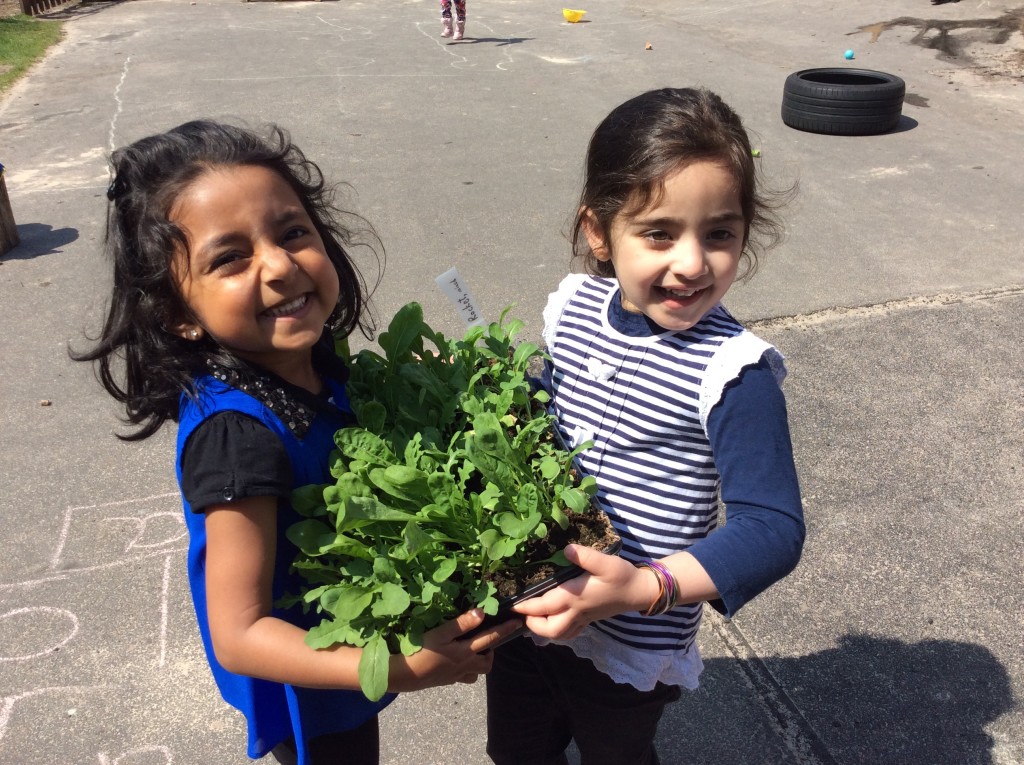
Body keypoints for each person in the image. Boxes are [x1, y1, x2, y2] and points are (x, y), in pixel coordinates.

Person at [73, 120, 519, 765]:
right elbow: (241, 633)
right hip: (305, 669)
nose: (280, 266)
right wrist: (393, 666)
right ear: (175, 313)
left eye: (292, 233)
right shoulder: (236, 436)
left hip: (345, 633)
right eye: (229, 259)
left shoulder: (314, 359)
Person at [485, 87, 806, 765]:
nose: (692, 262)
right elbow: (543, 420)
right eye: (659, 232)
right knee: (515, 748)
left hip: (633, 637)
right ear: (599, 231)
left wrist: (644, 586)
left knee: (617, 753)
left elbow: (771, 527)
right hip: (532, 606)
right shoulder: (573, 310)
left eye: (719, 232)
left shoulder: (733, 371)